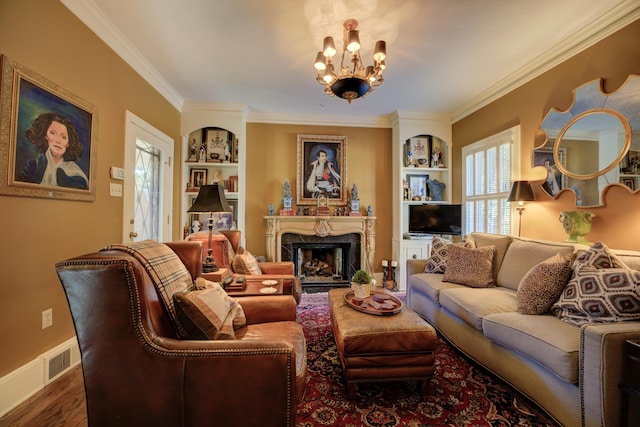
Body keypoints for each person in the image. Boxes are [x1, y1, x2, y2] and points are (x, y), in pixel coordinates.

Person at [19, 112, 88, 189]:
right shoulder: (32, 167)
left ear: (68, 143)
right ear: (46, 136)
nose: (58, 141)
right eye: (53, 133)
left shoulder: (77, 175)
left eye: (63, 137)